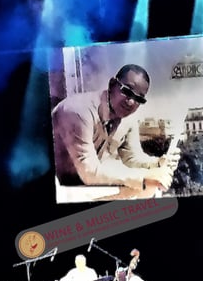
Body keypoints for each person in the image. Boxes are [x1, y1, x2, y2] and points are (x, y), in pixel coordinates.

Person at [51, 63, 179, 192]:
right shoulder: (78, 111)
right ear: (112, 84)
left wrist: (158, 163)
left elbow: (131, 158)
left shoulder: (128, 118)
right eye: (127, 91)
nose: (131, 102)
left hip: (79, 187)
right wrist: (144, 178)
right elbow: (89, 173)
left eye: (139, 99)